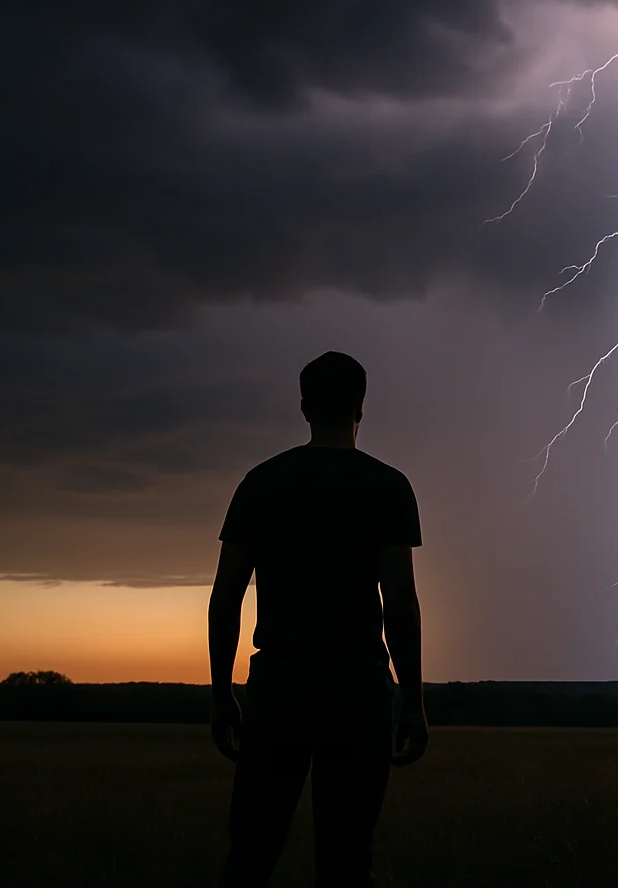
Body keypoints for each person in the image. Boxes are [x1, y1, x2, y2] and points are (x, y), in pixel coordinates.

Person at [208, 350, 428, 887]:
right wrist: (413, 701)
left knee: (251, 853)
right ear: (361, 407)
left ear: (304, 406)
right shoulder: (387, 486)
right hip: (358, 688)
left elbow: (226, 597)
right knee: (347, 859)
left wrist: (221, 695)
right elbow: (400, 600)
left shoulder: (261, 482)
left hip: (280, 685)